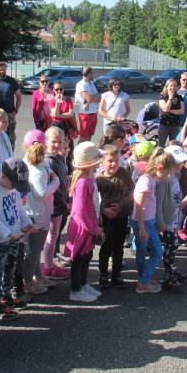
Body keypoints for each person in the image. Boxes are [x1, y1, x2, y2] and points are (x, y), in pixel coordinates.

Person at [0, 158, 33, 319]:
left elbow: (19, 209)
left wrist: (27, 224)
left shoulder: (13, 190)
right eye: (13, 183)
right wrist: (8, 233)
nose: (15, 188)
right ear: (4, 177)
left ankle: (7, 295)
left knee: (10, 268)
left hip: (14, 237)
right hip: (0, 240)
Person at [22, 130, 60, 295]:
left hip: (37, 212)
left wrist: (51, 175)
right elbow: (41, 193)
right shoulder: (36, 168)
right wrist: (56, 182)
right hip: (37, 214)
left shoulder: (35, 161)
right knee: (34, 250)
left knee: (35, 249)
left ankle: (37, 276)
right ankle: (28, 281)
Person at [64, 142, 103, 301]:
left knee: (87, 256)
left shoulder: (89, 177)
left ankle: (83, 284)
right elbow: (79, 211)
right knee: (79, 259)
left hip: (90, 224)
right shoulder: (82, 182)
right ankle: (75, 290)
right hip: (83, 227)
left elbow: (93, 203)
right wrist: (93, 228)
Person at [96, 144, 134, 288]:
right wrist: (103, 210)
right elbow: (94, 200)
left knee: (118, 246)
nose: (113, 164)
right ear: (103, 162)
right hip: (106, 217)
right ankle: (103, 274)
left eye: (116, 161)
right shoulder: (99, 179)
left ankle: (116, 275)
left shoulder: (123, 173)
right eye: (110, 161)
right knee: (106, 245)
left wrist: (121, 205)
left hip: (122, 215)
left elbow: (132, 191)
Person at [41, 127, 71, 281]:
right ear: (46, 142)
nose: (57, 145)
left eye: (60, 142)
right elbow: (54, 188)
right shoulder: (48, 161)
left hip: (61, 204)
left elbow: (64, 180)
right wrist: (64, 204)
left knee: (54, 235)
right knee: (51, 236)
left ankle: (50, 263)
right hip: (54, 206)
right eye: (53, 142)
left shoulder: (59, 158)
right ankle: (48, 266)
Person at [156, 147, 186, 288]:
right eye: (177, 163)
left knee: (172, 247)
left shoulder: (174, 175)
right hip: (167, 220)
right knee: (171, 246)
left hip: (174, 217)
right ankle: (168, 274)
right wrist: (162, 222)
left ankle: (171, 270)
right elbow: (160, 202)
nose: (180, 165)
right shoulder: (164, 179)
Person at [0, 62, 22, 145]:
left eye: (4, 69)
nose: (2, 71)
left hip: (9, 113)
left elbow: (19, 96)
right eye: (0, 70)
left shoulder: (12, 81)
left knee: (10, 138)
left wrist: (16, 110)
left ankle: (10, 155)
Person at [48, 82, 78, 151]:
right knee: (56, 143)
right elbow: (55, 113)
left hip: (67, 124)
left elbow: (70, 114)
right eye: (57, 89)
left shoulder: (68, 99)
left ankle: (68, 160)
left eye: (61, 89)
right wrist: (57, 103)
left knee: (68, 144)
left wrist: (58, 115)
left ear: (63, 89)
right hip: (56, 124)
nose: (59, 91)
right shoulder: (52, 101)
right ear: (53, 90)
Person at [74, 66, 100, 142]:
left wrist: (93, 98)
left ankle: (87, 153)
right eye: (93, 73)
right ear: (89, 74)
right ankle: (77, 153)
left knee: (89, 137)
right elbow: (89, 99)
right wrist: (94, 98)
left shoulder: (91, 83)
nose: (94, 74)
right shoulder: (81, 84)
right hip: (85, 114)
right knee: (83, 138)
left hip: (93, 113)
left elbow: (99, 97)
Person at [157, 78, 184, 147]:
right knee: (161, 145)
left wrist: (170, 111)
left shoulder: (179, 97)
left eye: (175, 86)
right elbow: (165, 109)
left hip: (175, 125)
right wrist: (170, 98)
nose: (173, 88)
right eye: (171, 86)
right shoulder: (162, 96)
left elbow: (181, 111)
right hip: (164, 124)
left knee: (174, 145)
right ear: (167, 87)